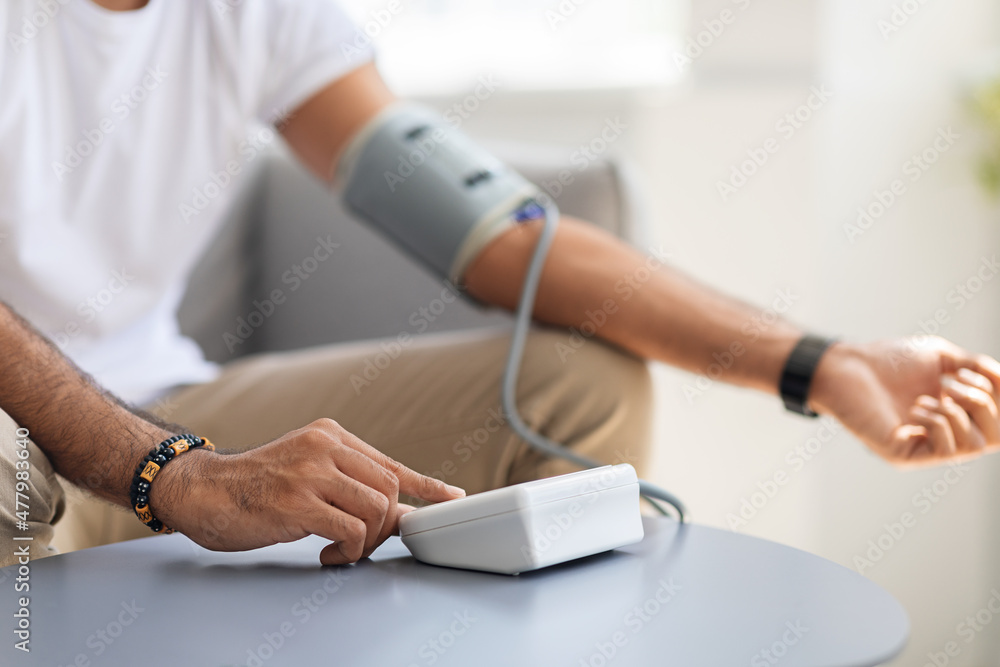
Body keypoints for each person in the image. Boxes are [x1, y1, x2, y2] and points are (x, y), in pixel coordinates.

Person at [1, 0, 998, 569]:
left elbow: (499, 240)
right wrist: (170, 472)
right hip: (24, 438)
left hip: (159, 398)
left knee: (581, 383)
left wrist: (824, 365)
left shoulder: (254, 13)